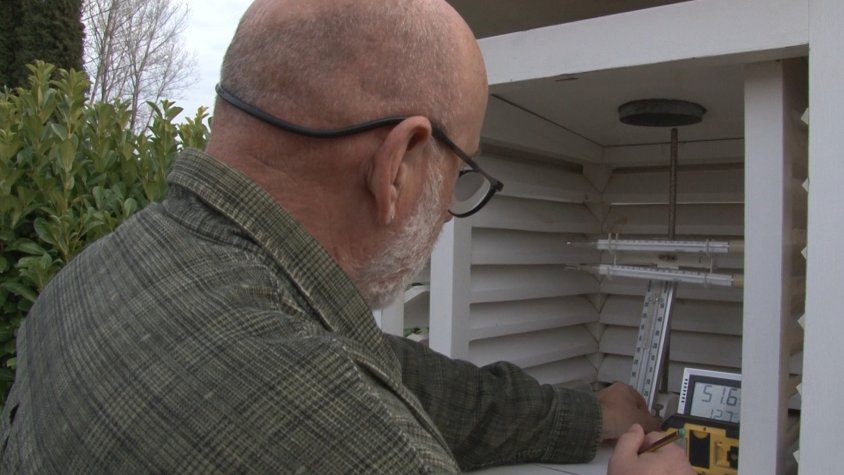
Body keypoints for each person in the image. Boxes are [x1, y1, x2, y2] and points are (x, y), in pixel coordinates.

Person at [0, 0, 693, 473]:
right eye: (460, 174)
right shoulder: (365, 447)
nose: (451, 209)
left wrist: (584, 415)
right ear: (398, 164)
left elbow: (404, 376)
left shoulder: (84, 282)